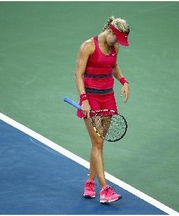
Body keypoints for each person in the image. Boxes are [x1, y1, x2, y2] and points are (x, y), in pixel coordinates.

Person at [74, 16, 130, 204]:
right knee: (97, 142)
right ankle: (105, 188)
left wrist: (123, 80)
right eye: (118, 38)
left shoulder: (116, 47)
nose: (118, 43)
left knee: (99, 144)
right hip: (90, 100)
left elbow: (113, 66)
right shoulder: (88, 46)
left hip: (108, 97)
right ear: (111, 32)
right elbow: (78, 74)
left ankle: (89, 182)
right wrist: (84, 100)